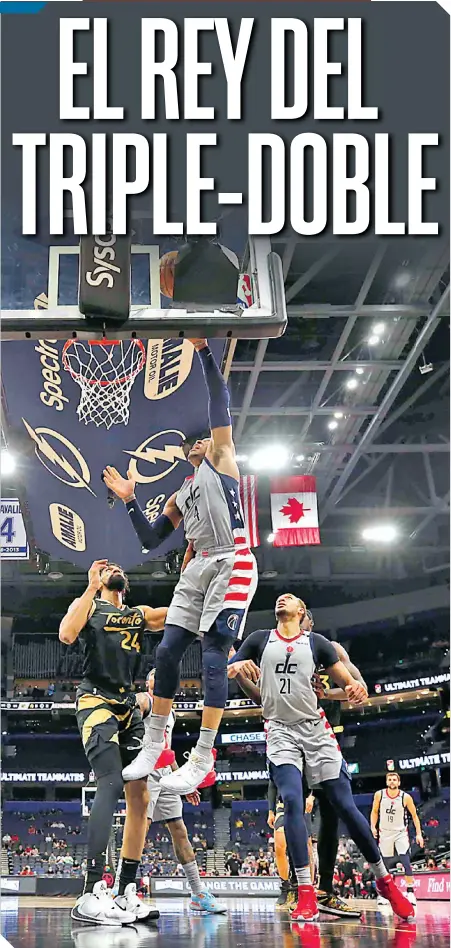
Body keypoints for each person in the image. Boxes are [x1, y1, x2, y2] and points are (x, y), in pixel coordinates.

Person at [103, 337, 258, 795]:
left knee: (213, 655)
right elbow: (152, 539)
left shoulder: (223, 458)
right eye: (194, 441)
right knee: (167, 652)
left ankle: (204, 754)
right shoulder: (179, 493)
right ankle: (154, 744)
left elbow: (218, 399)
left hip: (233, 558)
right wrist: (131, 501)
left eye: (205, 437)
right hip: (196, 568)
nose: (200, 441)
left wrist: (205, 351)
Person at [228, 592, 416, 924]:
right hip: (280, 730)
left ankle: (386, 884)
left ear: (302, 612)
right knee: (292, 801)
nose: (282, 598)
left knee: (343, 805)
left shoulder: (320, 644)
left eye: (291, 598)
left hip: (317, 729)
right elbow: (231, 668)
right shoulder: (259, 640)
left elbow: (354, 686)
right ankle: (304, 894)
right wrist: (236, 667)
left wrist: (353, 690)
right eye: (279, 598)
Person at [234, 609, 366, 919]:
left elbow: (358, 686)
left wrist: (327, 693)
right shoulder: (273, 649)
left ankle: (326, 891)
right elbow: (261, 698)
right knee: (288, 810)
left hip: (320, 734)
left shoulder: (328, 648)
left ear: (306, 618)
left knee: (331, 815)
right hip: (286, 735)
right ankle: (294, 886)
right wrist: (240, 674)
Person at [59, 559, 166, 926]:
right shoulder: (90, 604)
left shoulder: (138, 614)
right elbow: (66, 634)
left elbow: (178, 614)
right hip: (95, 699)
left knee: (141, 795)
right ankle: (90, 891)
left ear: (125, 583)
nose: (112, 567)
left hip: (127, 704)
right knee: (110, 782)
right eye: (105, 567)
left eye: (117, 567)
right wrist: (90, 585)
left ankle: (125, 891)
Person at [128, 669, 226, 915]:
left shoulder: (169, 711)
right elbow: (136, 705)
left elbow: (169, 751)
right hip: (145, 772)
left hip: (165, 774)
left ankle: (197, 893)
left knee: (180, 831)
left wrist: (186, 783)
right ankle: (124, 889)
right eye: (153, 676)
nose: (158, 679)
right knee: (140, 829)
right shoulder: (146, 700)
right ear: (148, 682)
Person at [371, 772, 424, 908]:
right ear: (386, 781)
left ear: (399, 782)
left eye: (395, 779)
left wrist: (419, 834)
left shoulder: (405, 797)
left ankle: (410, 892)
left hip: (400, 832)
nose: (392, 781)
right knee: (385, 865)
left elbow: (414, 816)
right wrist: (373, 827)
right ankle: (383, 895)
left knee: (405, 860)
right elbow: (374, 812)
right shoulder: (379, 795)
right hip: (385, 833)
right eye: (390, 779)